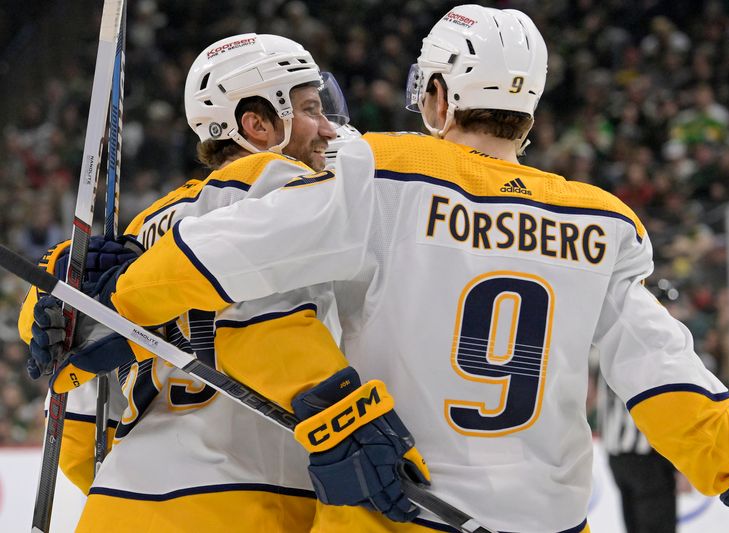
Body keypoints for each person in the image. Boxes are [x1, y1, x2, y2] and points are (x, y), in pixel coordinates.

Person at [32, 5, 729, 533]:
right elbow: (666, 382)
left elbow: (217, 267)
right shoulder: (601, 221)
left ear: (436, 96)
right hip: (547, 517)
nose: (328, 125)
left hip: (387, 510)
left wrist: (100, 302)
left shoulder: (379, 173)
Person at [22, 33, 428, 532]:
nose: (326, 128)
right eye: (308, 109)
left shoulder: (139, 234)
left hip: (120, 504)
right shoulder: (280, 191)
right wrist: (349, 418)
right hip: (253, 500)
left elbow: (78, 426)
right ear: (257, 124)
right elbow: (267, 320)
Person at [597, 374, 676, 533]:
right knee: (657, 525)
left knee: (634, 523)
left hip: (617, 455)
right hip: (645, 456)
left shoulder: (606, 357)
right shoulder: (645, 357)